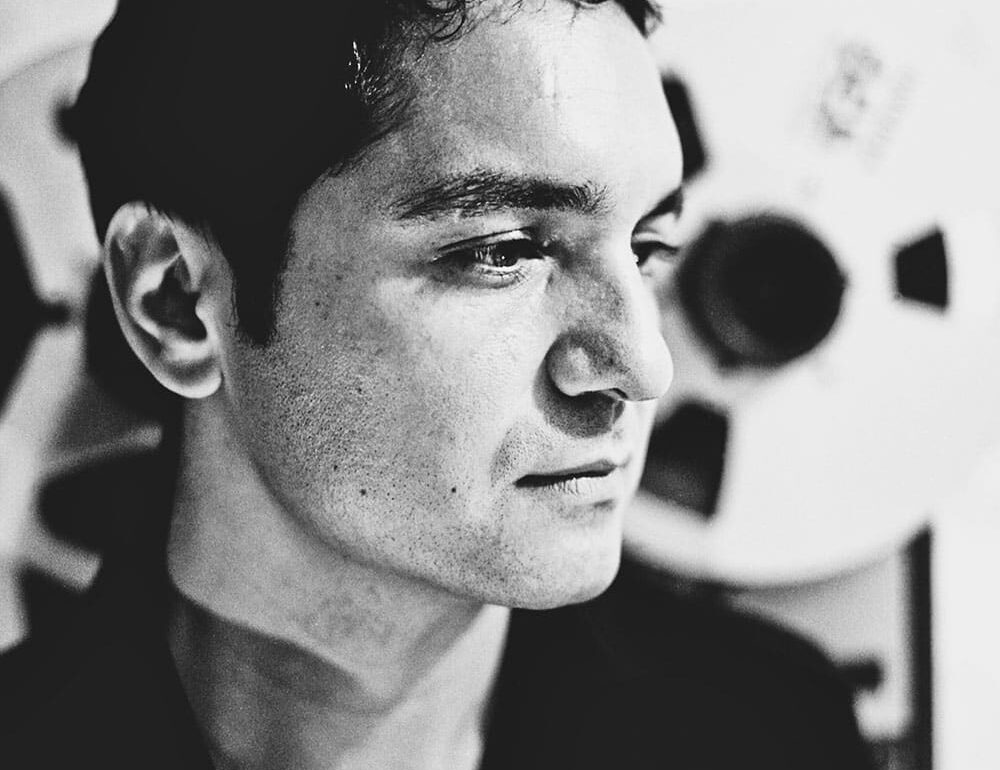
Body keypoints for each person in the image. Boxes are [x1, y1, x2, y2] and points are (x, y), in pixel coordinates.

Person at [0, 1, 874, 768]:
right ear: (178, 304)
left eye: (648, 250)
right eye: (504, 252)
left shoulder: (774, 734)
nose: (644, 366)